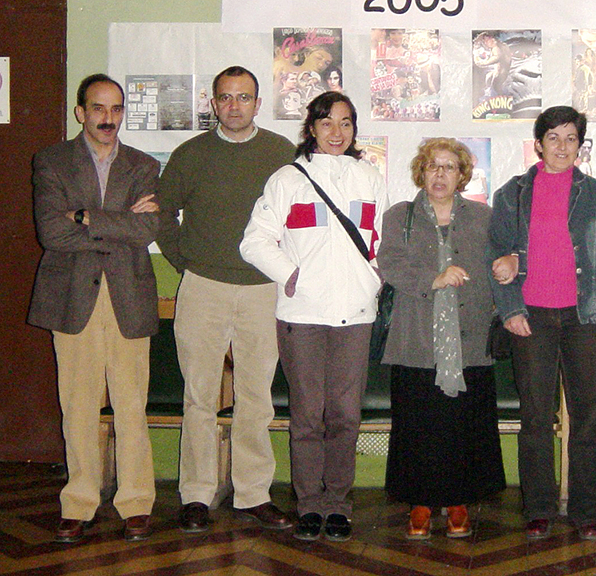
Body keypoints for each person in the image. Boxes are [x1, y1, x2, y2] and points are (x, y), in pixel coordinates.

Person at [240, 92, 387, 543]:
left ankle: (338, 504)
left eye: (346, 123)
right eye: (327, 123)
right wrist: (292, 275)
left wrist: (373, 282)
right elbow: (254, 242)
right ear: (312, 128)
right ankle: (308, 504)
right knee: (307, 416)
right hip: (302, 315)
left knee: (344, 414)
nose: (337, 133)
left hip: (356, 316)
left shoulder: (369, 177)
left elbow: (379, 240)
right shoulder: (288, 179)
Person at [156, 66, 296, 534]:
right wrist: (185, 263)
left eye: (244, 97)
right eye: (226, 98)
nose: (234, 106)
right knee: (199, 396)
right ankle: (197, 493)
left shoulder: (282, 153)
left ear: (258, 103)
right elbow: (161, 212)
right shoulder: (190, 154)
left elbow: (298, 220)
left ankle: (253, 492)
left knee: (256, 398)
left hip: (262, 290)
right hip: (203, 288)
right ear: (213, 104)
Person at [488, 106, 596, 541]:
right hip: (532, 319)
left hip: (584, 317)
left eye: (572, 138)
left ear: (580, 145)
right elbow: (497, 252)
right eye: (554, 138)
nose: (563, 146)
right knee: (535, 418)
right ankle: (539, 509)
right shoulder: (511, 193)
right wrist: (510, 309)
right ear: (538, 143)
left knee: (586, 416)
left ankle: (588, 511)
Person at [29, 74, 160, 543]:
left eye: (116, 109)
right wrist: (118, 222)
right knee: (78, 403)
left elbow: (147, 232)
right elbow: (51, 231)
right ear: (81, 112)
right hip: (72, 295)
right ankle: (79, 501)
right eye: (98, 108)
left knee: (131, 404)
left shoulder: (143, 165)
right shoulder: (52, 161)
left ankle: (136, 502)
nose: (108, 118)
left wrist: (83, 215)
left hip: (128, 293)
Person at [377, 138, 505, 540]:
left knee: (464, 426)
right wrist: (433, 279)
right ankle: (419, 503)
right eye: (433, 165)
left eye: (450, 167)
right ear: (421, 170)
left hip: (470, 340)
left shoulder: (484, 217)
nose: (440, 174)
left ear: (463, 175)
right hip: (416, 339)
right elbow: (390, 264)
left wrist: (509, 264)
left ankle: (459, 502)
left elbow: (504, 257)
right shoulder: (401, 216)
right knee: (418, 425)